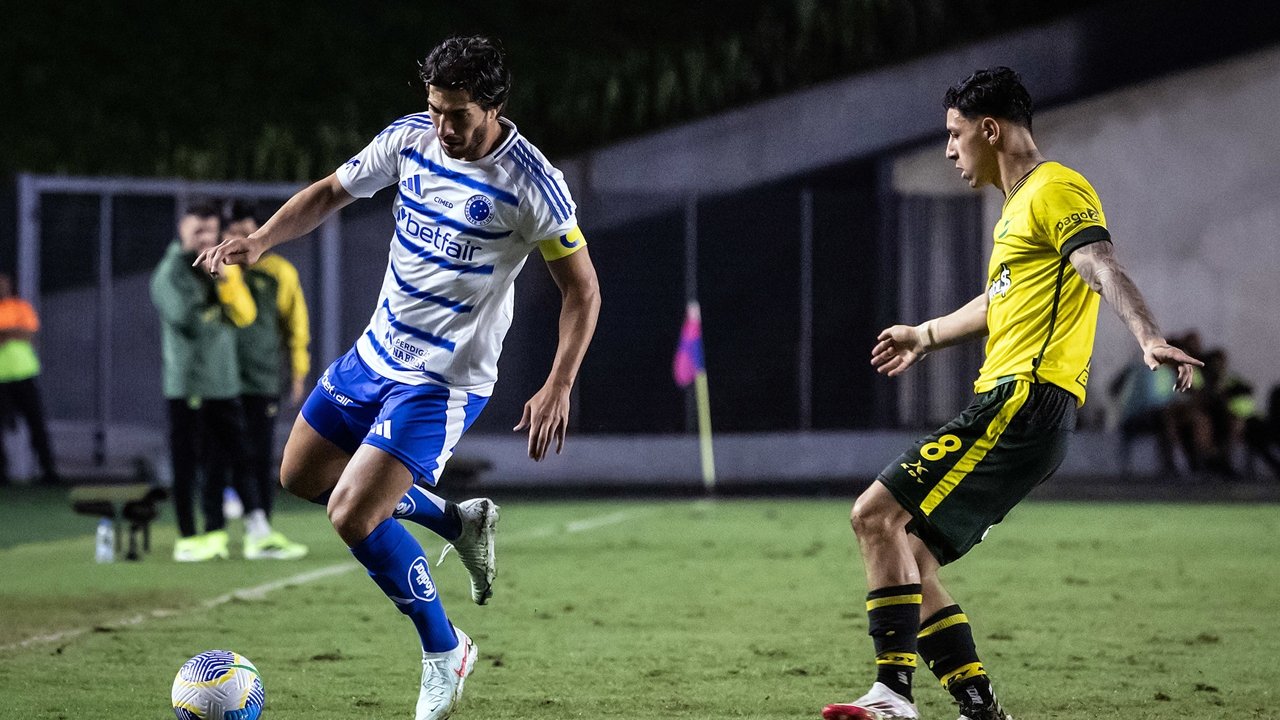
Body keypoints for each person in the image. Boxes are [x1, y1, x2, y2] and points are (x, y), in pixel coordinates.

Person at [194, 35, 600, 720]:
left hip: (443, 379)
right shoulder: (410, 139)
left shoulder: (535, 186)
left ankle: (446, 651)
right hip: (372, 355)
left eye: (460, 114)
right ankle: (453, 520)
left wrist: (559, 382)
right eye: (437, 108)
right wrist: (260, 240)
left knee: (351, 512)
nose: (445, 127)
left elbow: (582, 291)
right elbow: (329, 191)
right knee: (299, 477)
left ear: (494, 106)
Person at [821, 67, 1202, 720]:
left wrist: (1148, 335)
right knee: (907, 554)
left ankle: (892, 696)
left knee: (873, 515)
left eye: (954, 133)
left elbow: (1099, 264)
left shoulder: (1056, 188)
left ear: (989, 129)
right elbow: (999, 303)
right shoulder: (1016, 210)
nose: (948, 149)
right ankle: (977, 703)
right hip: (1025, 411)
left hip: (1024, 401)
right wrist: (925, 334)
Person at [151, 203, 274, 562]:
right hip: (189, 386)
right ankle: (189, 536)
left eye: (210, 232)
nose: (205, 239)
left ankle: (252, 531)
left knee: (239, 457)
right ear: (182, 230)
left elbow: (242, 317)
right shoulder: (172, 270)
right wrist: (214, 300)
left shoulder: (217, 270)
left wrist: (223, 286)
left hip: (225, 384)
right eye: (197, 231)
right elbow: (185, 318)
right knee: (188, 463)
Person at [220, 200, 310, 559]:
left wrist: (298, 371)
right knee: (221, 452)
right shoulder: (218, 268)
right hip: (218, 378)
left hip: (260, 377)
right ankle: (218, 526)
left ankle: (260, 529)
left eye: (246, 233)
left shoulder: (279, 272)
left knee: (258, 454)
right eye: (233, 233)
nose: (239, 240)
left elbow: (296, 325)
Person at [0, 272, 59, 485]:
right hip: (1, 378)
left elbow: (28, 332)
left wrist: (6, 332)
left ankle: (48, 471)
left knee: (36, 424)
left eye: (4, 284)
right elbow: (19, 332)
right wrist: (13, 331)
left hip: (25, 375)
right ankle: (2, 473)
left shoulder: (21, 307)